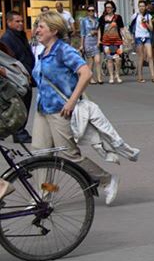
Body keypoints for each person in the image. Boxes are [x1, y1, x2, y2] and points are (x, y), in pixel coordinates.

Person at [31, 11, 118, 205]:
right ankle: (43, 196)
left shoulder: (63, 50)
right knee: (40, 154)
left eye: (41, 27)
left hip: (60, 111)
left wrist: (71, 101)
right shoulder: (42, 51)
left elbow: (85, 73)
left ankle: (106, 179)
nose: (37, 30)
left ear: (53, 30)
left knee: (69, 155)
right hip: (42, 110)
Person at [0, 11, 34, 143]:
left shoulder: (20, 35)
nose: (20, 24)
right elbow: (9, 61)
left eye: (22, 21)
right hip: (17, 78)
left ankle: (19, 131)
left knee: (25, 102)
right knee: (20, 104)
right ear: (9, 23)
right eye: (17, 21)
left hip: (24, 75)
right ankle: (19, 133)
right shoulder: (7, 38)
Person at [98, 1, 125, 84]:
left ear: (113, 8)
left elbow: (121, 29)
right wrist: (99, 39)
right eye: (106, 7)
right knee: (109, 59)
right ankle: (111, 76)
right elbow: (99, 29)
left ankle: (117, 74)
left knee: (118, 59)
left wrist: (124, 38)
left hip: (117, 41)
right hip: (106, 42)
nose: (108, 9)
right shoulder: (102, 18)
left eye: (109, 7)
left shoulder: (118, 17)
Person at [130, 0, 154, 83]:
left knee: (150, 56)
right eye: (140, 6)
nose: (141, 7)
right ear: (138, 7)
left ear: (146, 7)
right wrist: (131, 38)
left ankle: (153, 76)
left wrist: (146, 23)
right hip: (138, 37)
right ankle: (140, 76)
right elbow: (131, 26)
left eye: (143, 6)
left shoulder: (148, 16)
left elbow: (151, 29)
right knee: (141, 57)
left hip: (147, 37)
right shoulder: (135, 16)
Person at [79, 6, 102, 85]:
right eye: (89, 10)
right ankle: (91, 78)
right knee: (91, 61)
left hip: (95, 41)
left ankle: (99, 78)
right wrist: (82, 45)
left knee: (98, 60)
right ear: (87, 12)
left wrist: (99, 40)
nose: (91, 12)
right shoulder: (84, 21)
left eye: (93, 10)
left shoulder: (97, 20)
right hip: (88, 41)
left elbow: (99, 30)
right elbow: (82, 33)